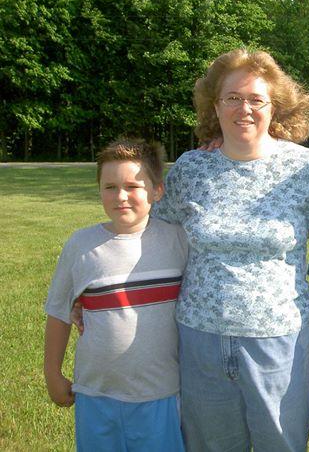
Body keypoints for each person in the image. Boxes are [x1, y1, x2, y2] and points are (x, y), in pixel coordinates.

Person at [151, 48, 309, 451]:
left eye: (256, 99)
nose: (245, 109)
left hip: (279, 342)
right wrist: (100, 293)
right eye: (232, 98)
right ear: (214, 105)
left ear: (276, 107)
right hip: (200, 339)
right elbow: (155, 241)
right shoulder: (191, 168)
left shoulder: (304, 167)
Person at [44, 139, 187, 451]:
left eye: (133, 186)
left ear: (157, 191)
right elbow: (58, 312)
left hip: (160, 394)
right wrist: (52, 373)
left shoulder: (178, 241)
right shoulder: (81, 245)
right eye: (110, 187)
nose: (121, 196)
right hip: (95, 394)